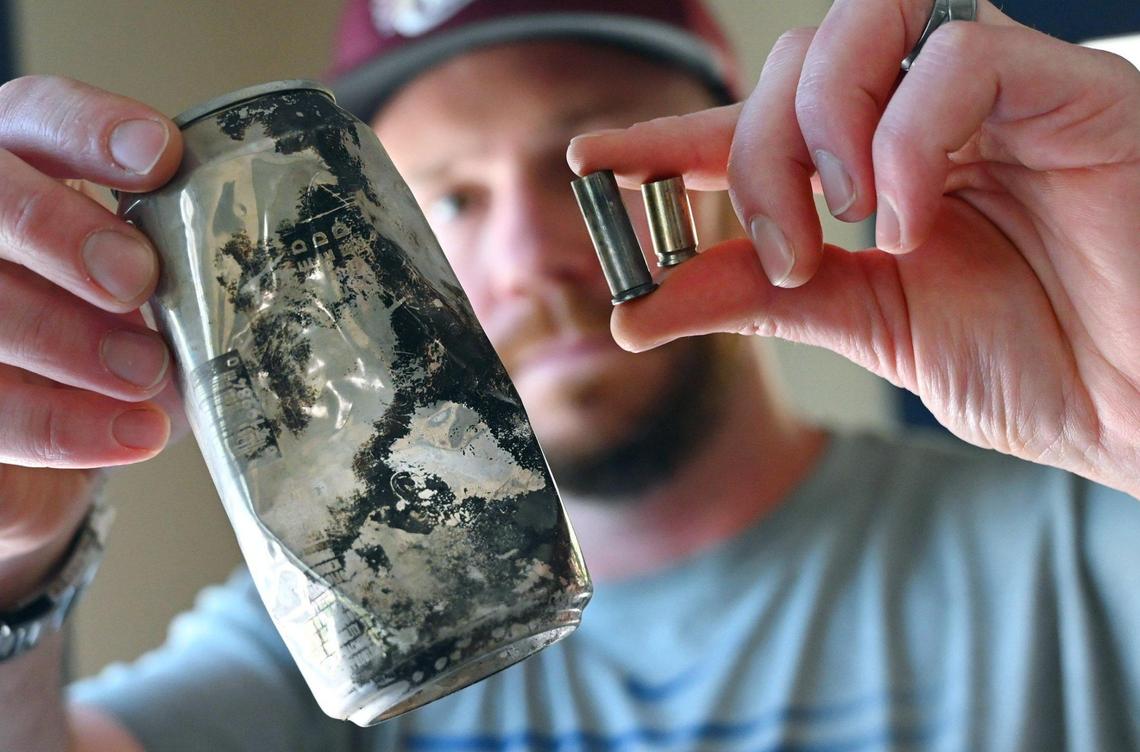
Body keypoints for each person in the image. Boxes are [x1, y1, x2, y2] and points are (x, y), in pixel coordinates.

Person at [1, 0, 1138, 749]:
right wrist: (15, 560)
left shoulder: (1077, 543)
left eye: (578, 164)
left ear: (724, 167)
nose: (525, 254)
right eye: (445, 199)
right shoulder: (327, 628)